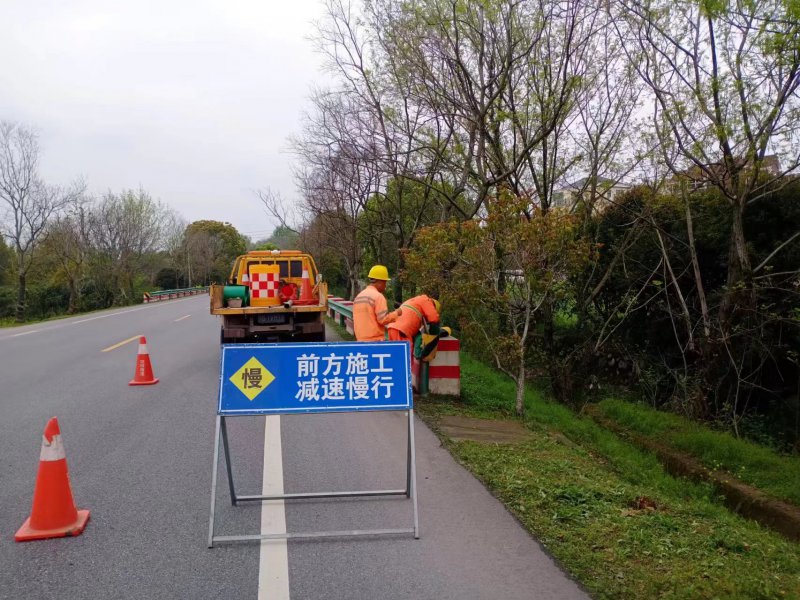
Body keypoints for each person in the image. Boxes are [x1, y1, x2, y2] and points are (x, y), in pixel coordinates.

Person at [353, 265, 403, 341]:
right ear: (379, 281)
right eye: (385, 282)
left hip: (360, 340)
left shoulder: (359, 297)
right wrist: (397, 313)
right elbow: (383, 319)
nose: (385, 285)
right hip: (375, 341)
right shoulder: (378, 297)